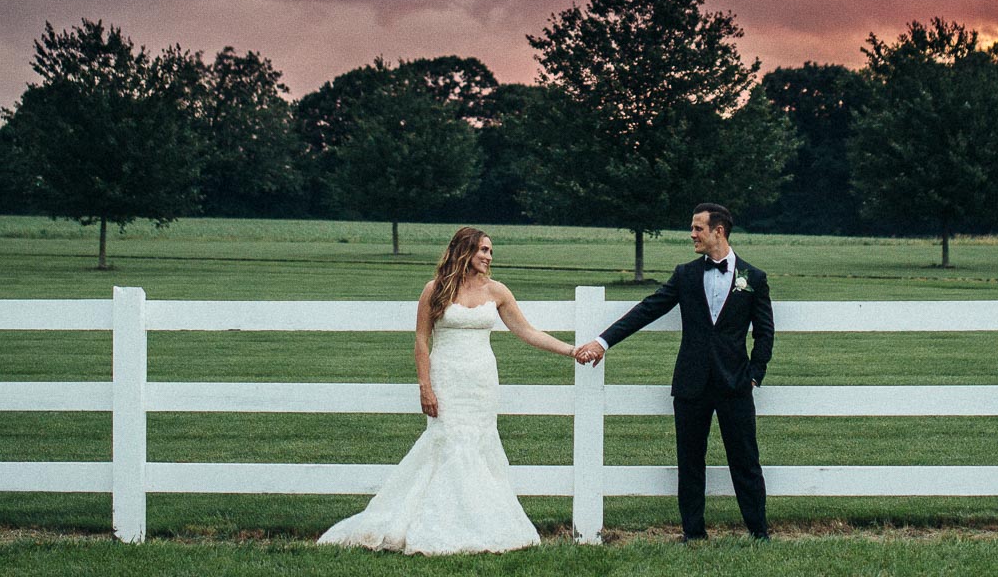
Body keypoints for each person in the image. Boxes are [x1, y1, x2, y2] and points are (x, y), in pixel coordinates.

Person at [319, 226, 576, 553]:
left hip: (481, 381)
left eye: (490, 252)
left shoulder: (497, 291)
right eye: (483, 250)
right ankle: (430, 523)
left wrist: (570, 351)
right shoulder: (435, 289)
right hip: (447, 377)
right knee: (447, 442)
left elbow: (527, 331)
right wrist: (425, 386)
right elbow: (421, 341)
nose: (488, 257)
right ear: (464, 250)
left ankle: (480, 523)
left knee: (479, 444)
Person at [575, 203, 773, 541]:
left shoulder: (753, 278)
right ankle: (693, 533)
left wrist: (754, 374)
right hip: (691, 384)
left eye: (698, 228)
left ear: (718, 231)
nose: (692, 234)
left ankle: (759, 532)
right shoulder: (686, 274)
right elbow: (647, 309)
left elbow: (765, 332)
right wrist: (602, 342)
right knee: (690, 462)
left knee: (745, 461)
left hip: (734, 384)